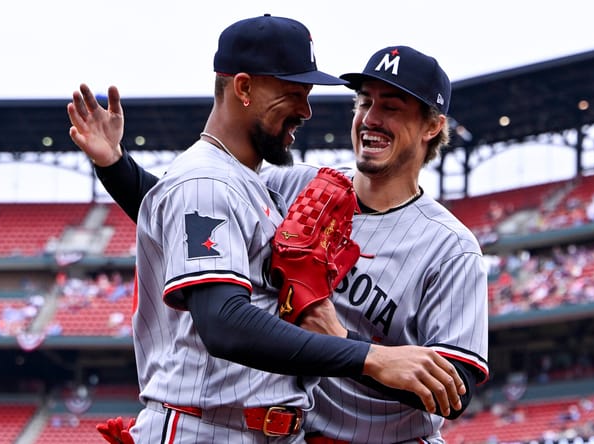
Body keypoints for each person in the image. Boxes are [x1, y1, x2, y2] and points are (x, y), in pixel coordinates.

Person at [68, 16, 468, 443]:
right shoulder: (210, 179)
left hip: (259, 428)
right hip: (209, 428)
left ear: (433, 126)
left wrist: (116, 167)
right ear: (243, 88)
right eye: (294, 93)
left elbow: (174, 208)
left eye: (308, 93)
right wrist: (367, 356)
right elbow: (223, 322)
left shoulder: (249, 181)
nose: (307, 109)